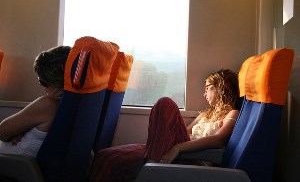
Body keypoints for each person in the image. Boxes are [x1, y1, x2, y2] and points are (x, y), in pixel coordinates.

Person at [89, 69, 240, 182]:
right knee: (105, 156)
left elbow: (218, 140)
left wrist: (178, 147)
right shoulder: (205, 114)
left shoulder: (232, 113)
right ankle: (152, 156)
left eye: (207, 88)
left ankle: (151, 164)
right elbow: (184, 132)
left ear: (220, 88)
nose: (204, 94)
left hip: (195, 157)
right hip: (175, 149)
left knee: (165, 103)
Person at [0, 46, 71, 157]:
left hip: (12, 163)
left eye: (43, 81)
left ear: (57, 82)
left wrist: (18, 130)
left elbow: (2, 132)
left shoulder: (48, 104)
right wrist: (21, 129)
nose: (40, 85)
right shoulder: (80, 104)